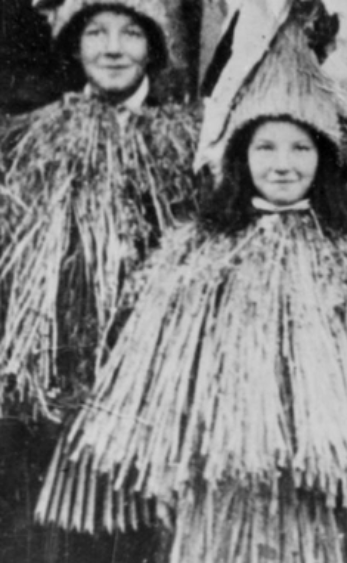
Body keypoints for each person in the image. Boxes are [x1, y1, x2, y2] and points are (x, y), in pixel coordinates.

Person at [36, 14, 347, 563]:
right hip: (221, 499)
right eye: (266, 147)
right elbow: (159, 391)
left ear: (326, 160)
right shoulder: (196, 255)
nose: (283, 164)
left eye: (300, 149)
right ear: (239, 158)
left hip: (320, 497)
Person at [0, 0, 198, 421]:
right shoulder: (33, 136)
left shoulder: (187, 140)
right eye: (96, 32)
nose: (112, 49)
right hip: (57, 372)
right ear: (74, 45)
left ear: (154, 48)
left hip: (152, 371)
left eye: (131, 33)